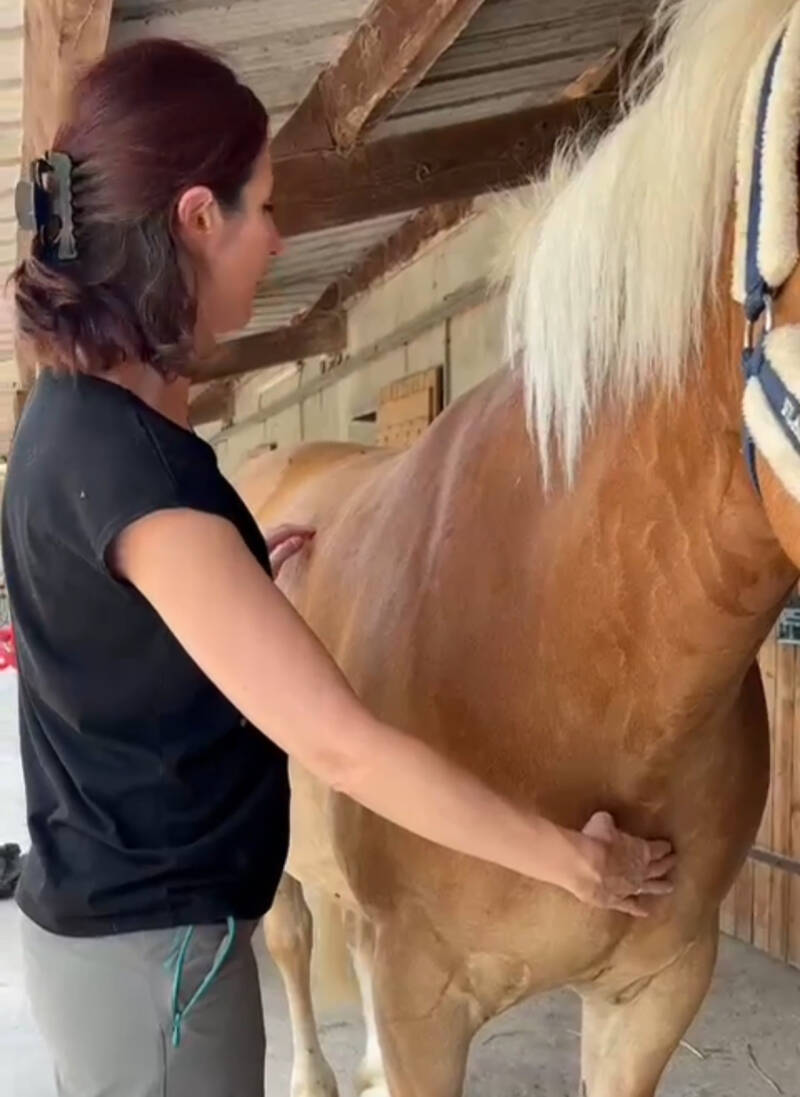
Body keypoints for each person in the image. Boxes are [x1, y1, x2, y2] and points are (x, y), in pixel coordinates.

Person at [3, 39, 675, 1097]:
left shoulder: (80, 428)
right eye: (261, 207)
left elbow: (125, 629)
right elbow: (343, 747)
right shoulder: (131, 473)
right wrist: (566, 860)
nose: (275, 237)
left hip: (121, 942)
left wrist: (230, 576)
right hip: (156, 966)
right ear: (194, 219)